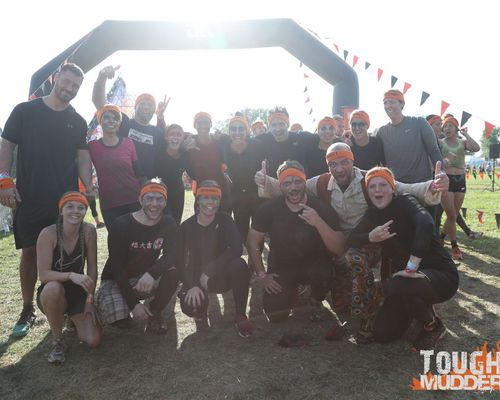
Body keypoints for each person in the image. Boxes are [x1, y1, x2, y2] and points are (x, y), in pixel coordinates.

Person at [255, 142, 449, 340]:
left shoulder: (370, 178)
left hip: (374, 242)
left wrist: (432, 186)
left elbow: (402, 187)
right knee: (342, 305)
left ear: (352, 161)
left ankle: (370, 313)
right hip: (343, 242)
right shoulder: (321, 182)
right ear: (328, 166)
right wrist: (265, 181)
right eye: (333, 164)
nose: (339, 169)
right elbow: (291, 186)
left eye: (344, 162)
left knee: (355, 260)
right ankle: (377, 296)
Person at [0, 63, 93, 338]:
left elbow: (83, 156)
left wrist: (88, 186)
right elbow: (6, 145)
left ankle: (69, 307)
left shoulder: (77, 120)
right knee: (30, 254)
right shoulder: (24, 111)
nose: (70, 89)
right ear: (55, 78)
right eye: (66, 82)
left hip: (66, 203)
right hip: (29, 198)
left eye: (76, 86)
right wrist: (4, 180)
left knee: (70, 255)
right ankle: (28, 308)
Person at [347, 167, 458, 350]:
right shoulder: (372, 215)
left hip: (440, 276)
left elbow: (426, 222)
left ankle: (432, 325)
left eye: (383, 184)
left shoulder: (405, 201)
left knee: (396, 284)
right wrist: (370, 237)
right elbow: (351, 239)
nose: (377, 190)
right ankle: (417, 308)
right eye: (372, 186)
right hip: (405, 280)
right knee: (382, 334)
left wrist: (412, 266)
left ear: (392, 188)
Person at [247, 160, 345, 323]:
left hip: (315, 267)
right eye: (287, 183)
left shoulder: (320, 208)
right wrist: (262, 275)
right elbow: (252, 242)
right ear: (280, 186)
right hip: (282, 268)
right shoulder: (269, 209)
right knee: (275, 315)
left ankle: (315, 298)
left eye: (298, 181)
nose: (293, 188)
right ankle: (294, 292)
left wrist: (318, 222)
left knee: (322, 272)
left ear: (305, 181)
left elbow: (340, 248)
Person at [96, 180, 178, 334]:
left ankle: (155, 311)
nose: (154, 204)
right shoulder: (121, 224)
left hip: (143, 276)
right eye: (149, 198)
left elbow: (171, 255)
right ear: (140, 200)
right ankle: (96, 307)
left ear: (166, 202)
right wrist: (134, 304)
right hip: (116, 279)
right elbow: (116, 267)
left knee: (173, 271)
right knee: (117, 319)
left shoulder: (168, 222)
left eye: (160, 199)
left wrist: (151, 274)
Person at [177, 180, 253, 337]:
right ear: (198, 200)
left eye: (215, 198)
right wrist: (191, 285)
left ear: (220, 201)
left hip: (219, 275)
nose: (210, 202)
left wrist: (209, 269)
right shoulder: (186, 227)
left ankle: (240, 315)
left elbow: (237, 248)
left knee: (239, 265)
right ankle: (200, 314)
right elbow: (180, 261)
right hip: (196, 279)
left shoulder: (225, 220)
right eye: (205, 197)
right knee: (192, 306)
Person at [36, 192, 101, 363]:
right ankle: (58, 341)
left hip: (78, 291)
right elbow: (43, 275)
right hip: (53, 291)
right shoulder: (48, 234)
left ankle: (73, 318)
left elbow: (93, 268)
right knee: (53, 288)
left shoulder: (88, 231)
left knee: (93, 340)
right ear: (61, 211)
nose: (75, 211)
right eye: (70, 206)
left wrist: (89, 299)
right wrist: (71, 275)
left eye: (81, 207)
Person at [92, 65, 162, 179]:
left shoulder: (157, 132)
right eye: (142, 103)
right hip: (123, 184)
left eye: (150, 104)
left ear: (154, 110)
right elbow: (99, 102)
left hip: (147, 189)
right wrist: (102, 76)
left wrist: (161, 118)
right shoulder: (123, 122)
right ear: (135, 106)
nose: (146, 107)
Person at [88, 104, 145, 229]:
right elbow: (83, 167)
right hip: (110, 205)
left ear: (119, 123)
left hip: (134, 201)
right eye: (107, 117)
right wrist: (88, 187)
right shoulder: (92, 146)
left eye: (115, 118)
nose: (111, 121)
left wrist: (146, 193)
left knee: (137, 240)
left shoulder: (128, 143)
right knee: (116, 242)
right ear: (100, 121)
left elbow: (139, 172)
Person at [376, 90, 443, 183]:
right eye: (385, 103)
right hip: (396, 186)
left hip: (421, 184)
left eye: (391, 102)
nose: (388, 106)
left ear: (402, 104)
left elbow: (434, 151)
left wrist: (440, 175)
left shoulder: (419, 122)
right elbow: (376, 155)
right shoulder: (382, 132)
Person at [439, 116, 481, 260]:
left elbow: (476, 148)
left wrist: (466, 134)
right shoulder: (440, 142)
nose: (447, 128)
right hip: (447, 180)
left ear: (456, 128)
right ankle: (455, 247)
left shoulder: (463, 142)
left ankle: (441, 237)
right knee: (451, 215)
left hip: (460, 180)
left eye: (450, 126)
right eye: (445, 126)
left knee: (454, 215)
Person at [221, 114, 266, 242]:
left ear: (247, 131)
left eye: (241, 129)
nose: (237, 132)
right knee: (242, 232)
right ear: (229, 132)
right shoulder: (224, 147)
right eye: (233, 129)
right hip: (237, 196)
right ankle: (249, 256)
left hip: (257, 195)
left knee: (259, 231)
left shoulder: (257, 145)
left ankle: (255, 259)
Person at [255, 107, 318, 178]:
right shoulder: (263, 140)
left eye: (281, 124)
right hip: (276, 185)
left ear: (287, 125)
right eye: (273, 125)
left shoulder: (301, 137)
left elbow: (322, 137)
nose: (277, 129)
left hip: (300, 184)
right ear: (269, 127)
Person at [187, 112, 231, 212]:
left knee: (224, 223)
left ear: (211, 125)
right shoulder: (189, 141)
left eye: (206, 122)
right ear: (194, 125)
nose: (203, 126)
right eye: (199, 122)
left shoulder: (219, 142)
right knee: (201, 224)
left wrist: (222, 136)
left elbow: (231, 140)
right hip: (201, 192)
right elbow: (172, 136)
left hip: (222, 191)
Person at [154, 123, 191, 224]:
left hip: (177, 192)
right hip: (160, 191)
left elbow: (193, 173)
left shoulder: (185, 154)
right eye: (172, 134)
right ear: (166, 137)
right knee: (164, 222)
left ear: (183, 139)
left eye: (179, 135)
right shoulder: (159, 151)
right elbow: (159, 129)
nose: (175, 137)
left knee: (175, 223)